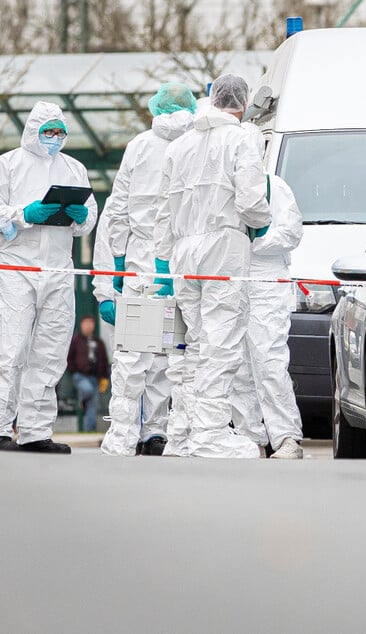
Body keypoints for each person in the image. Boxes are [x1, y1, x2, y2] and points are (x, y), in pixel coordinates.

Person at [154, 74, 270, 459]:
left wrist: (163, 257)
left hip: (184, 251)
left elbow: (163, 211)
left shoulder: (180, 145)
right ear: (242, 100)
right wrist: (262, 221)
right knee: (221, 343)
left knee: (196, 343)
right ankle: (210, 434)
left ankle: (182, 432)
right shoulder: (242, 138)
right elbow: (251, 200)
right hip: (224, 245)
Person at [98, 82, 197, 457]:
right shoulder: (195, 145)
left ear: (155, 108)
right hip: (184, 262)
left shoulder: (139, 146)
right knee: (173, 353)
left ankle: (123, 434)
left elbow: (118, 208)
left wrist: (117, 269)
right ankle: (157, 431)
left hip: (141, 263)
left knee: (133, 353)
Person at [0, 101, 98, 453]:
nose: (55, 138)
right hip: (16, 268)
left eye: (59, 131)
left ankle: (35, 430)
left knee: (50, 352)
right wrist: (23, 214)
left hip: (58, 269)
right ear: (33, 131)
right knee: (10, 348)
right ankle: (0, 425)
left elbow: (89, 219)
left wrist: (78, 215)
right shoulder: (8, 165)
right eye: (48, 131)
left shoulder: (74, 168)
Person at [231, 123, 305, 459]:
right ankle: (249, 436)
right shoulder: (224, 188)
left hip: (266, 281)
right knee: (236, 365)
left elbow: (290, 233)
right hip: (232, 280)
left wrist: (255, 242)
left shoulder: (275, 188)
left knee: (269, 360)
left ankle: (286, 437)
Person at [67, 315, 110, 432]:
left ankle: (89, 428)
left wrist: (104, 377)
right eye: (86, 323)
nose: (88, 326)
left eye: (90, 323)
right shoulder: (76, 340)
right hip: (80, 375)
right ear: (81, 325)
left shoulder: (98, 342)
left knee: (92, 405)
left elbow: (104, 360)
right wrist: (74, 370)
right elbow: (69, 358)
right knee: (88, 391)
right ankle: (82, 400)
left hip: (94, 376)